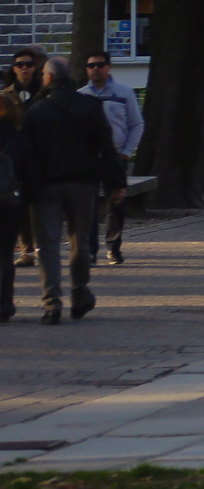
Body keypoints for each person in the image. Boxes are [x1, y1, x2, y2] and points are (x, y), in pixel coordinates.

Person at [25, 57, 123, 323]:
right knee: (79, 240)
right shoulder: (90, 106)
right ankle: (80, 292)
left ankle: (51, 303)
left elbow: (28, 153)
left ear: (47, 78)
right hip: (82, 183)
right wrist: (116, 183)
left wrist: (26, 187)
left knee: (47, 244)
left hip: (46, 185)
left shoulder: (36, 110)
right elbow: (106, 147)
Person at [75, 52, 141, 265]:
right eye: (91, 65)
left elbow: (136, 124)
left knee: (116, 202)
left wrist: (127, 151)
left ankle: (113, 247)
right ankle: (90, 250)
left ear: (108, 67)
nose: (95, 69)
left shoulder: (124, 93)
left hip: (115, 155)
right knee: (88, 204)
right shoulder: (80, 96)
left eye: (100, 65)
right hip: (88, 158)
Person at [0, 90, 32, 320]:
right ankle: (5, 304)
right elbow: (30, 174)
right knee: (5, 255)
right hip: (10, 202)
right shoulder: (19, 138)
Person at [8, 50, 38, 270]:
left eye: (28, 64)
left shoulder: (44, 92)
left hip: (40, 155)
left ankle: (42, 246)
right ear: (14, 68)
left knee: (41, 204)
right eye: (20, 64)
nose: (24, 68)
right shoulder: (6, 95)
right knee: (20, 205)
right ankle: (26, 250)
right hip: (15, 158)